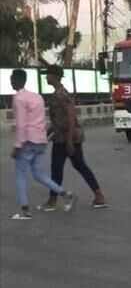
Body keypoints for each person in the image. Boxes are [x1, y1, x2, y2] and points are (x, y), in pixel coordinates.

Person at [9, 69, 77, 219]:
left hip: (28, 141)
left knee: (20, 175)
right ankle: (65, 194)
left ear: (16, 81)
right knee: (39, 174)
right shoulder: (37, 97)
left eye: (12, 79)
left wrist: (18, 145)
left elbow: (21, 124)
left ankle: (25, 210)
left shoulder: (18, 98)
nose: (11, 82)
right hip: (41, 140)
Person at [41, 65, 107, 211]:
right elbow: (58, 119)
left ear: (54, 77)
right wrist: (46, 134)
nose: (46, 77)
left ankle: (52, 201)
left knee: (60, 168)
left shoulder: (61, 95)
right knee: (76, 166)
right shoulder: (58, 94)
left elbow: (71, 117)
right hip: (61, 137)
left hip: (66, 138)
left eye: (48, 75)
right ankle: (99, 196)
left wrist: (70, 140)